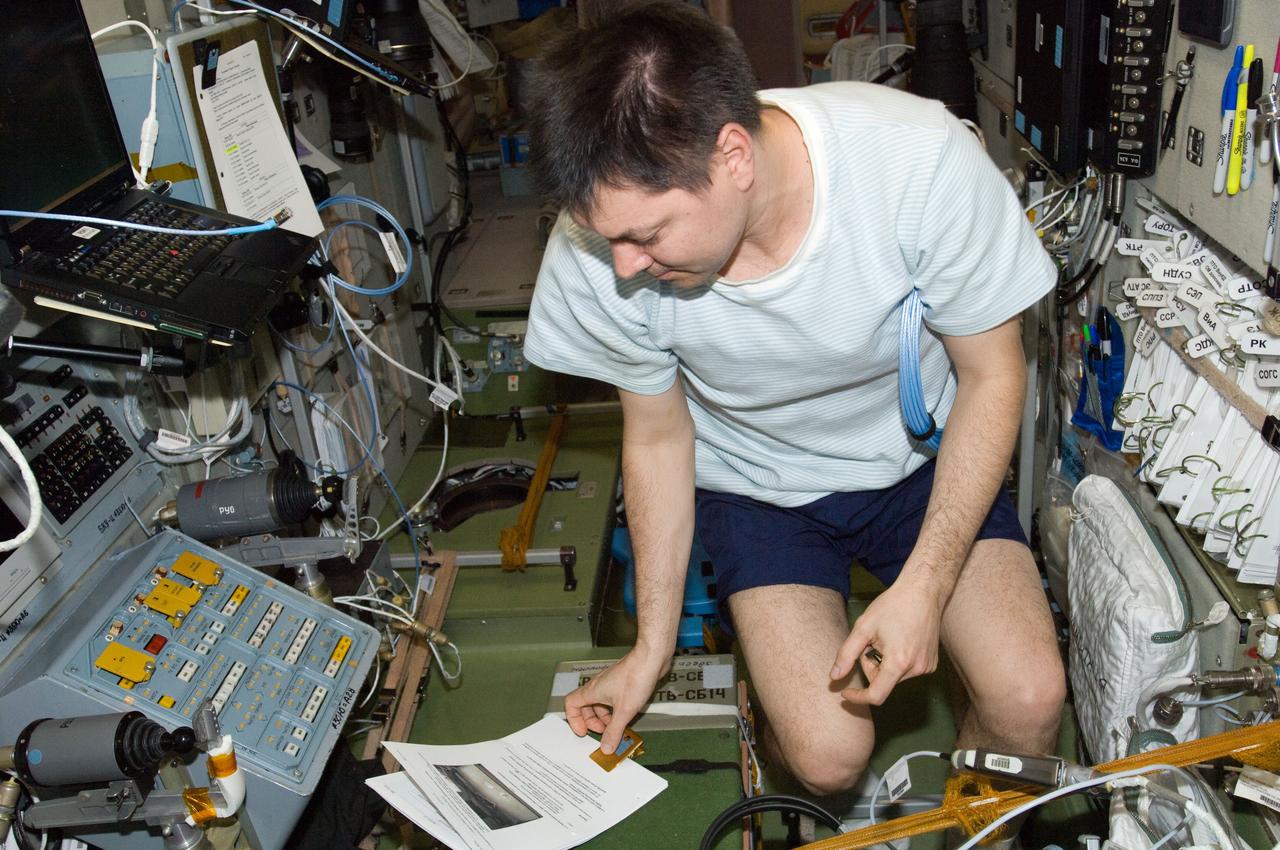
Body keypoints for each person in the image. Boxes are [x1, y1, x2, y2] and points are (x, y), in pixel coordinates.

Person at [521, 1, 1066, 796]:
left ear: (733, 154)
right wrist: (651, 650)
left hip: (921, 465)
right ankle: (770, 727)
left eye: (648, 235)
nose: (627, 266)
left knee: (1029, 700)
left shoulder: (918, 165)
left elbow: (993, 373)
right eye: (610, 240)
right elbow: (658, 440)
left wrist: (925, 587)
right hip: (759, 487)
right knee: (827, 755)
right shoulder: (602, 249)